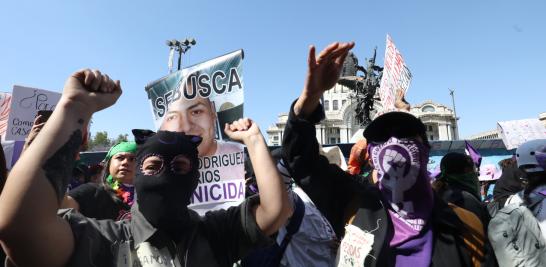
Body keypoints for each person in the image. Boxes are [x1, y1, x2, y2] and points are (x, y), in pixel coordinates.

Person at [0, 69, 291, 267]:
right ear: (139, 177)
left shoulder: (213, 233)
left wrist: (253, 140)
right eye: (152, 166)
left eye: (180, 166)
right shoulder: (102, 241)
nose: (166, 174)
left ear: (194, 177)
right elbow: (20, 227)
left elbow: (275, 210)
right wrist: (74, 109)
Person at [281, 42, 489, 266]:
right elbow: (302, 161)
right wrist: (310, 98)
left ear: (426, 151)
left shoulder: (466, 225)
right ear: (371, 155)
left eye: (405, 134)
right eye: (381, 137)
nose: (394, 143)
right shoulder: (356, 205)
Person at [64, 141, 137, 220]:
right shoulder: (91, 191)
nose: (125, 162)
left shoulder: (149, 195)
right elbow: (61, 208)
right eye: (120, 158)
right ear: (108, 164)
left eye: (133, 159)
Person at [432, 152, 490, 226]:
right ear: (467, 171)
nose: (476, 176)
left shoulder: (438, 193)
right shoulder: (464, 199)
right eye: (474, 172)